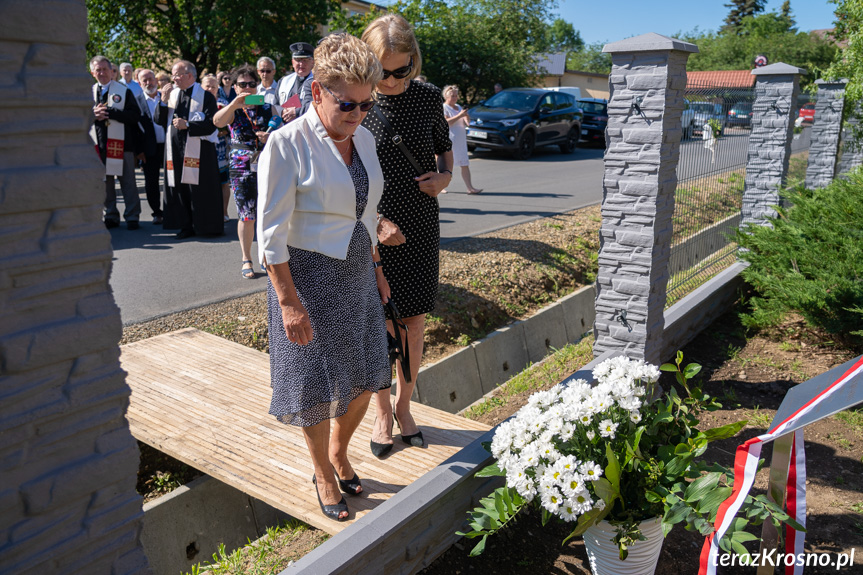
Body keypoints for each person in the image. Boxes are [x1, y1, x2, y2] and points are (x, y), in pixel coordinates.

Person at [256, 33, 390, 522]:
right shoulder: (286, 144)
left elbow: (364, 207)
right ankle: (322, 471)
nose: (357, 115)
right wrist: (288, 302)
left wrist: (377, 259)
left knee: (369, 370)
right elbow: (269, 236)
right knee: (312, 385)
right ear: (316, 92)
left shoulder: (367, 137)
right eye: (347, 104)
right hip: (305, 276)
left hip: (356, 269)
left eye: (366, 105)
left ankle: (339, 449)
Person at [360, 14, 453, 456]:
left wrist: (446, 177)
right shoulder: (356, 102)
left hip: (419, 221)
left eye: (402, 70)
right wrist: (375, 221)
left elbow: (443, 146)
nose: (393, 80)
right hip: (369, 226)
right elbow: (340, 174)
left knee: (413, 319)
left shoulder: (428, 97)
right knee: (378, 323)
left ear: (414, 61)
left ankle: (404, 406)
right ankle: (380, 412)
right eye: (384, 71)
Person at [214, 65, 274, 279]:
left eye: (251, 84)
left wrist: (270, 136)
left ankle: (267, 256)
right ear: (235, 86)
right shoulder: (233, 107)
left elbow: (281, 127)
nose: (248, 88)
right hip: (241, 165)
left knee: (268, 212)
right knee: (246, 214)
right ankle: (246, 258)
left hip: (267, 162)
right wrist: (234, 103)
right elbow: (217, 121)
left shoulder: (265, 106)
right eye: (242, 84)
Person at [154, 60, 224, 239]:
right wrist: (162, 102)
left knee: (199, 190)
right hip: (176, 150)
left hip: (200, 151)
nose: (174, 78)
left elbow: (211, 125)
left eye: (177, 74)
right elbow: (159, 120)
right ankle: (185, 225)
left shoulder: (206, 96)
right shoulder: (172, 94)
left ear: (189, 75)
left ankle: (205, 226)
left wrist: (188, 125)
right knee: (180, 187)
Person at [89, 55, 143, 230]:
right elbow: (79, 118)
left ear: (112, 72)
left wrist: (111, 112)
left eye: (105, 69)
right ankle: (111, 215)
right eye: (99, 70)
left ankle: (132, 216)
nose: (102, 73)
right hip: (99, 145)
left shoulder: (123, 90)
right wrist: (93, 115)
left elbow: (135, 115)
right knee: (106, 184)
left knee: (128, 182)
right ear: (93, 72)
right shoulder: (87, 93)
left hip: (122, 145)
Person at [442, 85, 482, 195]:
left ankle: (470, 187)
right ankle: (442, 186)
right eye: (452, 96)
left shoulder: (458, 107)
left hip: (460, 140)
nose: (454, 98)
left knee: (464, 163)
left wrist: (466, 116)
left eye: (456, 95)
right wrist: (460, 115)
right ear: (446, 96)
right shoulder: (444, 107)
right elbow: (446, 123)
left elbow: (467, 122)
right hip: (450, 139)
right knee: (446, 165)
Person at [138, 68, 165, 224]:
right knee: (151, 182)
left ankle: (174, 211)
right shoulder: (136, 101)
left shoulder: (167, 97)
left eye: (151, 79)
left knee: (171, 181)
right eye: (145, 81)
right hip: (149, 149)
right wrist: (139, 151)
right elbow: (134, 129)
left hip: (168, 147)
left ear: (156, 80)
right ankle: (157, 212)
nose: (149, 83)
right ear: (140, 83)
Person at [202, 74, 231, 221]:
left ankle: (224, 212)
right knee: (205, 183)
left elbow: (232, 125)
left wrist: (224, 130)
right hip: (202, 148)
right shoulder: (197, 103)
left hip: (221, 149)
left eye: (213, 86)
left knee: (223, 182)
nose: (210, 89)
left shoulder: (223, 104)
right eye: (207, 86)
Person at [276, 42, 315, 124]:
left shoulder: (317, 81)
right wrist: (282, 112)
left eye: (305, 60)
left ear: (312, 62)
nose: (301, 64)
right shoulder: (283, 81)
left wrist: (297, 112)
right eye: (298, 60)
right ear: (292, 62)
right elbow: (275, 104)